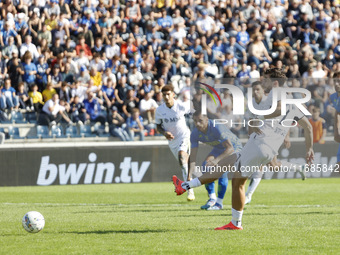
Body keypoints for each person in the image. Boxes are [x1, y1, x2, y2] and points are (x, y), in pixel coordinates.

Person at [173, 69, 314, 230]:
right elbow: (308, 127)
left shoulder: (277, 93)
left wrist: (258, 118)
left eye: (266, 80)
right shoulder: (294, 104)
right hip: (267, 148)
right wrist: (309, 149)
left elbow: (280, 110)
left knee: (238, 182)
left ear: (275, 83)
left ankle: (235, 223)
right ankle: (184, 186)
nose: (263, 82)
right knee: (224, 165)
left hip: (260, 144)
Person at [189, 111, 243, 210]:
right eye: (195, 121)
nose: (197, 124)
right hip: (219, 149)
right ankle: (212, 199)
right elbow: (192, 156)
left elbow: (230, 148)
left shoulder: (216, 127)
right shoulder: (195, 133)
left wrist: (216, 161)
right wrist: (189, 176)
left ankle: (219, 203)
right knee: (206, 166)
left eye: (200, 120)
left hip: (234, 148)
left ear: (207, 119)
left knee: (221, 170)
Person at [155, 85, 195, 201]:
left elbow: (195, 110)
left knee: (182, 157)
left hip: (184, 136)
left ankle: (190, 191)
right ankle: (199, 182)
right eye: (164, 95)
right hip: (172, 141)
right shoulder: (160, 110)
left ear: (173, 94)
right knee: (184, 165)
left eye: (168, 94)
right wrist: (164, 133)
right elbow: (158, 126)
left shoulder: (181, 106)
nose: (166, 97)